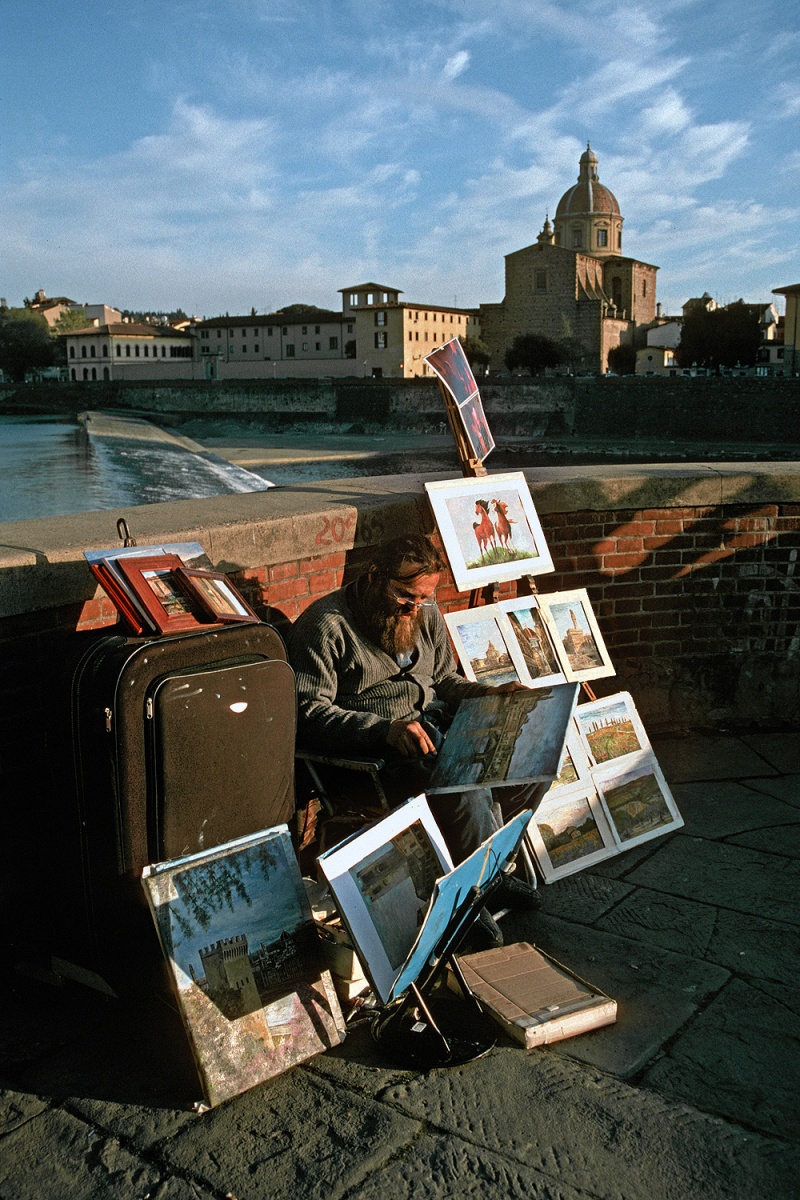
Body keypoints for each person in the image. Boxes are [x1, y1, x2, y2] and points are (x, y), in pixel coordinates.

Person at [288, 534, 543, 942]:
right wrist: (383, 731)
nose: (415, 608)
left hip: (432, 733)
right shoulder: (326, 624)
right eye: (405, 596)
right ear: (374, 577)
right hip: (375, 760)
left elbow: (444, 679)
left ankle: (489, 874)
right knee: (464, 785)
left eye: (423, 598)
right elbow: (308, 713)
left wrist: (492, 694)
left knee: (533, 754)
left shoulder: (425, 611)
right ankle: (469, 901)